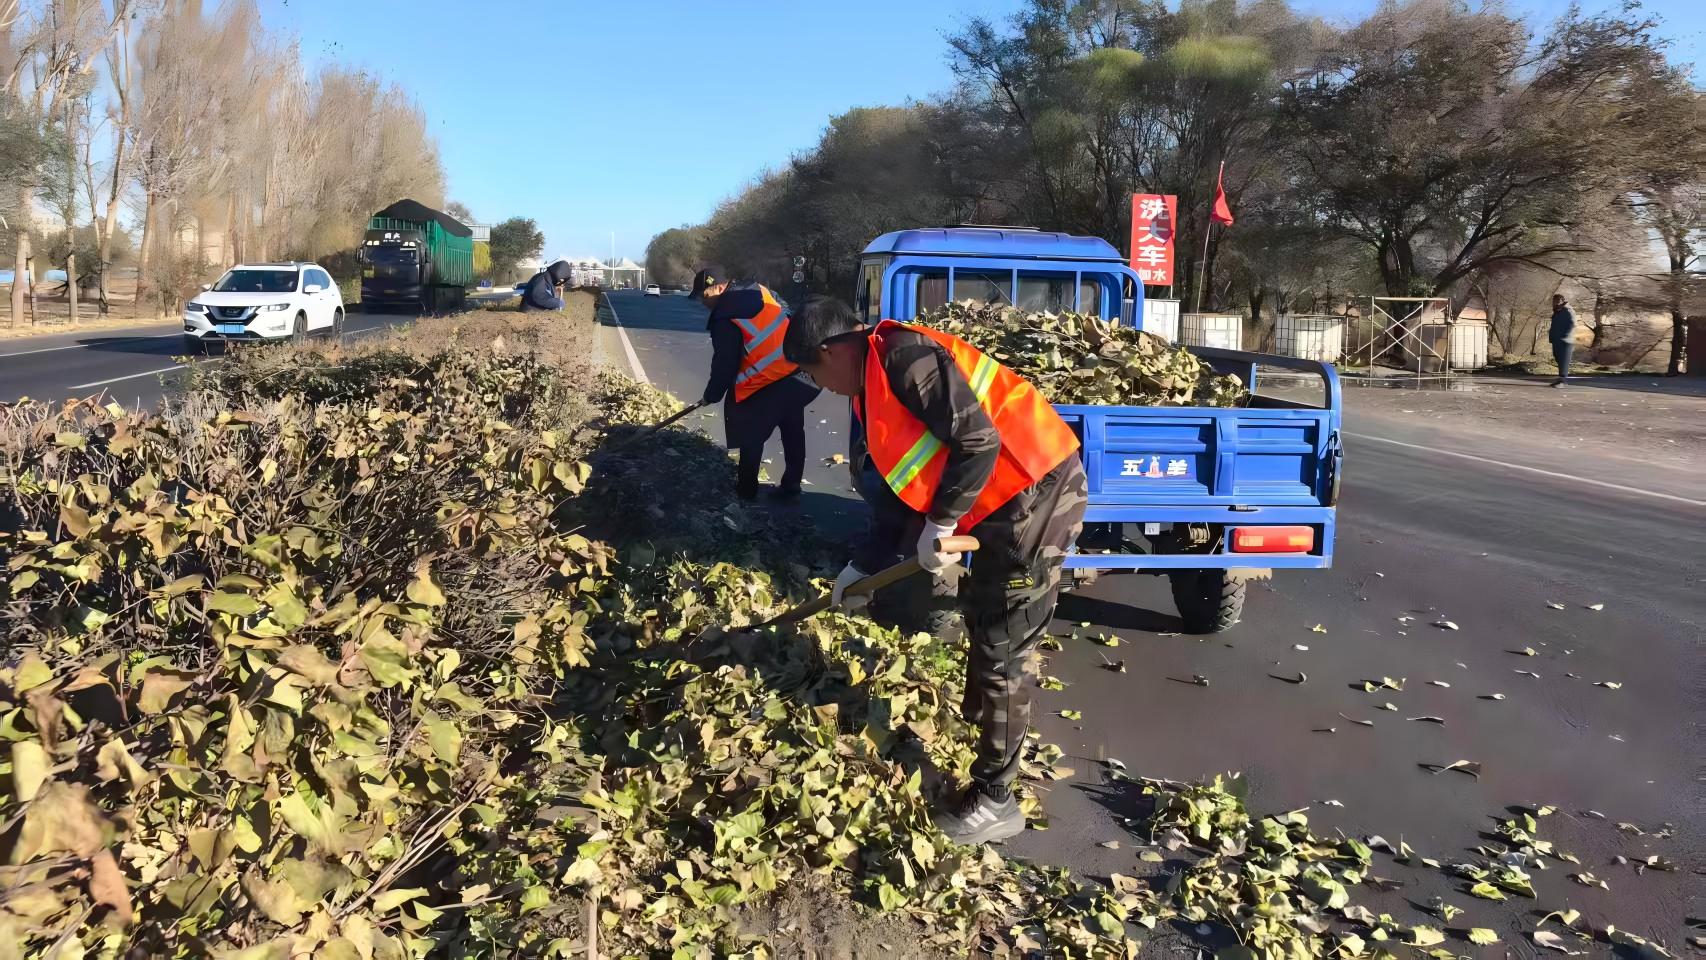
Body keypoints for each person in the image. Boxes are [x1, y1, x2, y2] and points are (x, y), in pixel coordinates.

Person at [783, 296, 1087, 845]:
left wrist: (942, 521)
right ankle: (984, 734)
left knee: (1004, 646)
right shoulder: (870, 390)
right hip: (999, 504)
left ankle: (996, 799)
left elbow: (979, 440)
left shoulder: (904, 357)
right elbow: (898, 495)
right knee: (984, 619)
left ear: (829, 351)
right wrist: (861, 567)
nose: (819, 386)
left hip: (1038, 493)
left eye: (812, 373)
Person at [691, 267, 821, 501]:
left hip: (766, 380)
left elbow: (725, 363)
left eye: (704, 296)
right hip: (797, 373)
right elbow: (788, 315)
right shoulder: (759, 290)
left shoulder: (726, 315)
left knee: (751, 434)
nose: (703, 302)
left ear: (717, 288)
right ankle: (792, 486)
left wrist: (712, 395)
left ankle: (746, 491)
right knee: (793, 429)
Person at [1548, 293, 1577, 387]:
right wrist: (1551, 337)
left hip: (1566, 340)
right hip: (1556, 339)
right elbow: (1553, 326)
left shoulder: (1568, 310)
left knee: (1564, 360)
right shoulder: (1557, 312)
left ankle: (1563, 381)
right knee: (1558, 359)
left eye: (1558, 301)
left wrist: (1567, 335)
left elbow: (1573, 324)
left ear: (1563, 301)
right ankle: (1560, 379)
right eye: (1554, 301)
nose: (1555, 303)